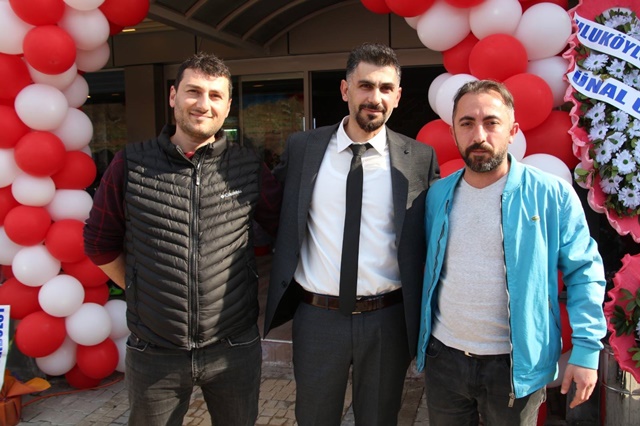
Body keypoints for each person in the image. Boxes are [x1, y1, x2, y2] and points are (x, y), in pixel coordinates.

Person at [83, 52, 281, 426]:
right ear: (173, 95)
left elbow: (284, 229)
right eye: (194, 91)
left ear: (227, 107)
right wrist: (138, 287)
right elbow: (98, 242)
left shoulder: (248, 167)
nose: (203, 104)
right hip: (155, 350)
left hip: (233, 346)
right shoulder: (130, 163)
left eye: (215, 95)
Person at [264, 42, 440, 425]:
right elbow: (269, 209)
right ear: (346, 90)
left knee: (379, 419)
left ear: (397, 96)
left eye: (385, 88)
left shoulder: (419, 158)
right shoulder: (303, 148)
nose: (375, 97)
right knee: (314, 418)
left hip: (387, 320)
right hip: (317, 317)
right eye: (365, 86)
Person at [416, 80, 606, 425]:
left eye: (491, 122)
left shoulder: (551, 194)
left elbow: (584, 271)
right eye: (467, 123)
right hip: (444, 360)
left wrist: (587, 349)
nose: (479, 135)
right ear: (453, 132)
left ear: (513, 131)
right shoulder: (436, 196)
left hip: (515, 366)